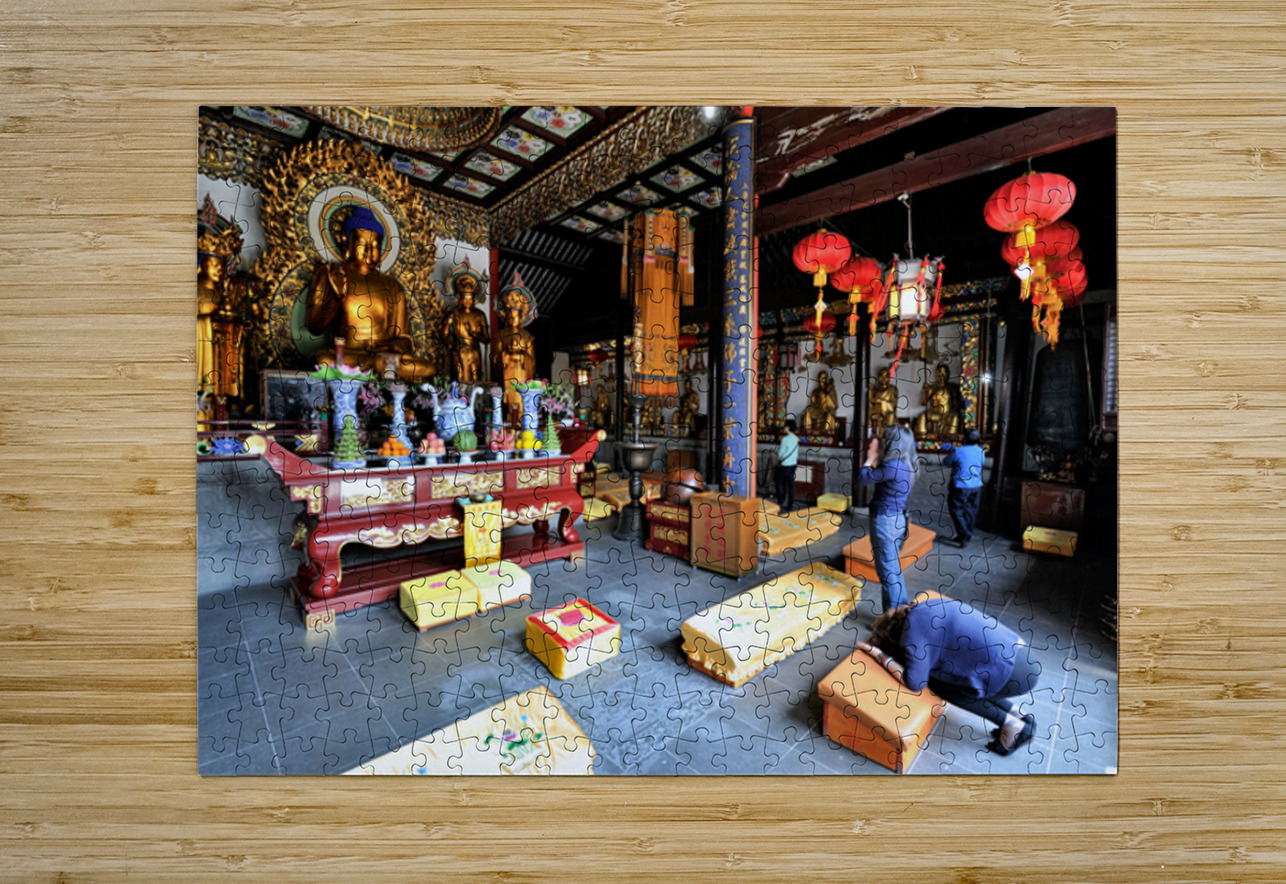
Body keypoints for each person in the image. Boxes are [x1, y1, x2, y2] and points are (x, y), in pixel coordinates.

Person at [860, 595, 1040, 756]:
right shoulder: (924, 606)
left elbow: (915, 682)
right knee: (968, 676)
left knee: (939, 685)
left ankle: (1012, 725)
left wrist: (881, 657)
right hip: (1022, 654)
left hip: (1011, 675)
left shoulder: (911, 638)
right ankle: (1020, 715)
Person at [306, 207, 435, 382]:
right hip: (348, 356)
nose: (368, 249)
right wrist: (335, 298)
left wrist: (391, 346)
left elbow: (404, 338)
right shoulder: (331, 275)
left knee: (428, 368)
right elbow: (314, 326)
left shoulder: (392, 285)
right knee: (322, 360)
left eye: (375, 245)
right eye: (361, 243)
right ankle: (375, 371)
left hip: (384, 359)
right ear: (346, 242)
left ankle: (376, 369)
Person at [856, 424, 917, 611]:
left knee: (888, 574)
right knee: (893, 570)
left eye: (884, 438)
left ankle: (891, 621)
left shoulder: (892, 466)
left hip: (885, 521)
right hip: (897, 519)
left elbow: (863, 478)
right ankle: (901, 612)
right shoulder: (907, 464)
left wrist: (870, 458)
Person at [492, 282, 537, 422]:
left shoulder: (527, 336)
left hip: (521, 373)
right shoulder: (501, 335)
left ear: (522, 316)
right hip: (508, 373)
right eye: (509, 314)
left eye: (516, 314)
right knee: (509, 400)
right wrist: (504, 356)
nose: (512, 317)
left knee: (521, 400)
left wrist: (522, 357)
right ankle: (509, 417)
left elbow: (532, 361)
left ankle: (521, 418)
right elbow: (494, 358)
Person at [443, 262, 489, 383]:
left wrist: (475, 334)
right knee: (459, 376)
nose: (469, 300)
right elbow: (444, 334)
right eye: (465, 297)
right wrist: (451, 345)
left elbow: (487, 339)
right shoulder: (453, 313)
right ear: (458, 296)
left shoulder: (480, 315)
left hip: (474, 351)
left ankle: (476, 400)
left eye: (471, 297)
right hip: (458, 350)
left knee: (475, 378)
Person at [944, 428, 985, 546]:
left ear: (964, 438)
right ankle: (964, 535)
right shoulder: (981, 451)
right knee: (971, 511)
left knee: (956, 510)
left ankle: (965, 533)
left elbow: (946, 462)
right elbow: (981, 467)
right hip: (976, 486)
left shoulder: (958, 451)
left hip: (960, 486)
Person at [913, 363, 962, 438]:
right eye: (938, 372)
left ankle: (950, 437)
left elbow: (957, 403)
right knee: (923, 415)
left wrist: (954, 409)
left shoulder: (952, 387)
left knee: (954, 416)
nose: (941, 375)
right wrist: (927, 393)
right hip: (934, 412)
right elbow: (923, 403)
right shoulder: (933, 387)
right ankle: (922, 437)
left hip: (947, 413)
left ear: (948, 374)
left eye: (943, 372)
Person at [775, 418, 800, 515]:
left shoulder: (785, 439)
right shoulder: (796, 438)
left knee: (779, 483)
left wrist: (778, 458)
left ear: (788, 427)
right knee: (791, 485)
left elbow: (781, 453)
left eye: (785, 426)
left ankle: (781, 502)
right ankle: (790, 505)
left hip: (784, 465)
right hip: (793, 464)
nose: (784, 428)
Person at [801, 370, 838, 434]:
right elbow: (813, 403)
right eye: (820, 378)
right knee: (807, 411)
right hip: (818, 410)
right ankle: (808, 431)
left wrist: (828, 394)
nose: (822, 381)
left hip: (827, 410)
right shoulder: (815, 391)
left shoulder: (832, 391)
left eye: (824, 378)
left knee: (830, 414)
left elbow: (835, 405)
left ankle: (827, 433)